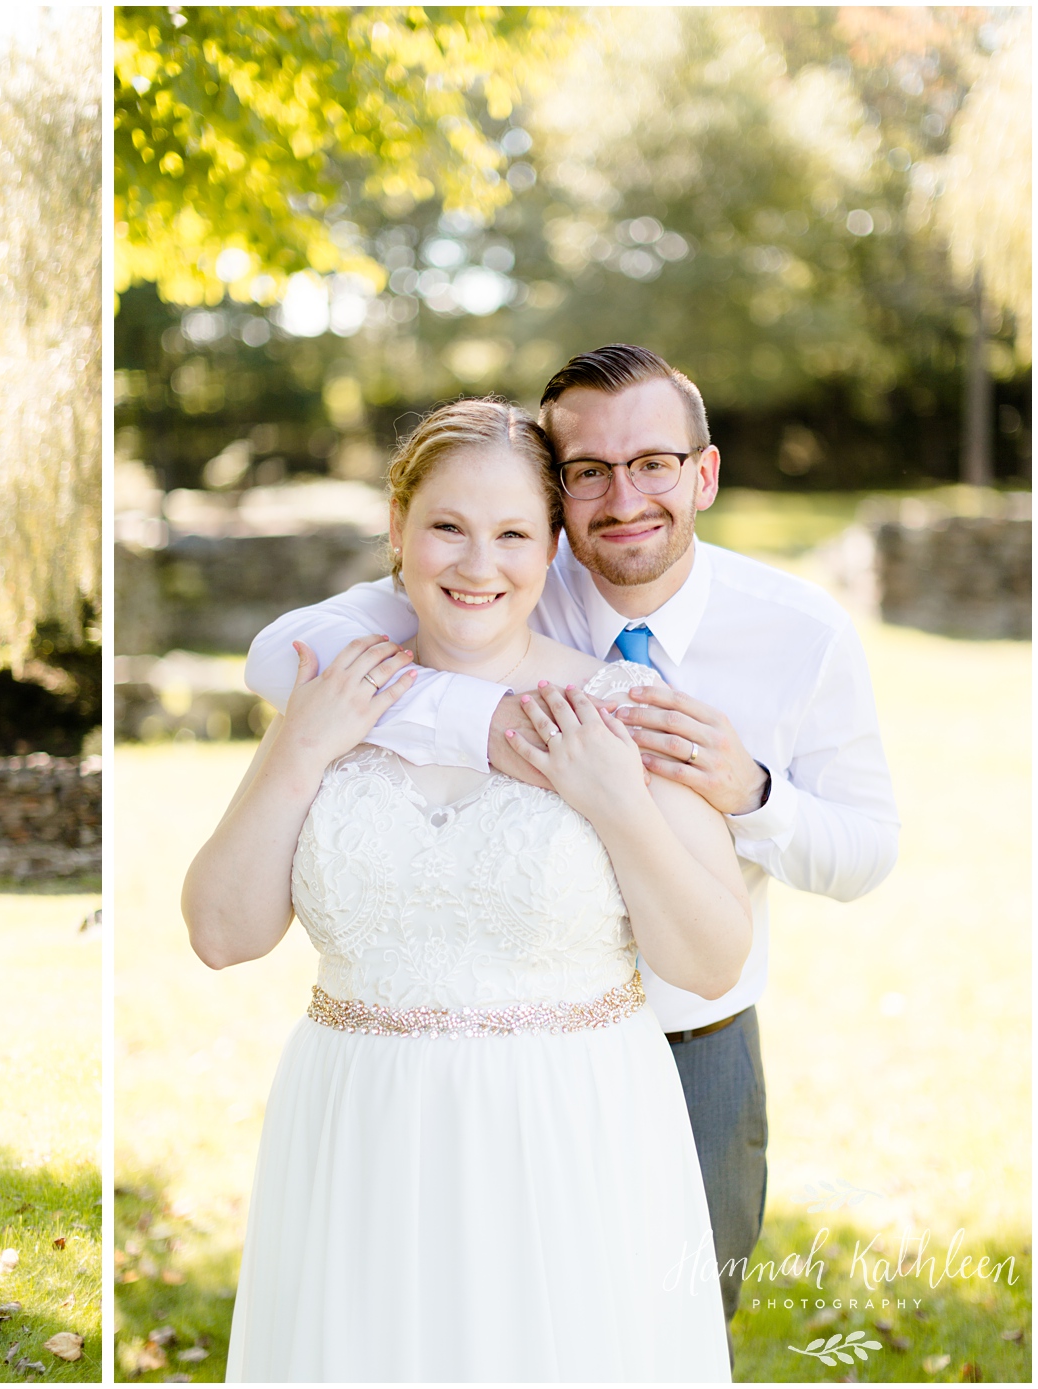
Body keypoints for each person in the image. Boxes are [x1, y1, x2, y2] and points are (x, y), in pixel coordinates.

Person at [244, 345, 900, 1331]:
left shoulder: (799, 630)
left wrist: (753, 793)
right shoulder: (500, 576)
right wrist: (484, 725)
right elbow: (279, 656)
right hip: (480, 1046)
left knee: (664, 1320)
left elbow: (867, 848)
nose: (623, 497)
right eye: (588, 471)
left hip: (696, 1030)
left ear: (705, 473)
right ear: (557, 498)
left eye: (654, 464)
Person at [186, 397, 746, 1380]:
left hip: (568, 1136)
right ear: (397, 533)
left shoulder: (628, 708)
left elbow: (709, 961)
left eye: (512, 535)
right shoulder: (331, 699)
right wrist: (298, 748)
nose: (476, 565)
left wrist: (617, 804)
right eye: (447, 526)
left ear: (552, 550)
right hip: (358, 1133)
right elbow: (221, 932)